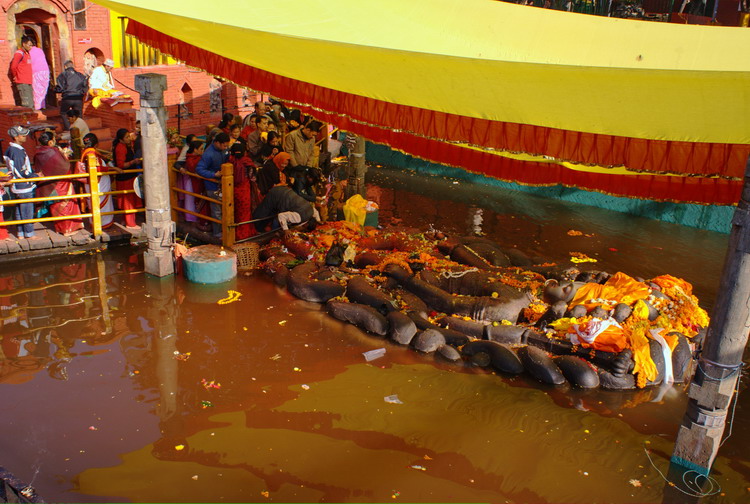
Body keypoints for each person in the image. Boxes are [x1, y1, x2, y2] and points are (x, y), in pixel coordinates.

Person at [33, 132, 83, 236]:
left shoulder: (38, 152)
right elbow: (64, 166)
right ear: (51, 141)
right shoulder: (54, 152)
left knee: (56, 207)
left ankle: (59, 229)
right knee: (66, 205)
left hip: (48, 184)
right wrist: (65, 156)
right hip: (61, 184)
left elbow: (39, 168)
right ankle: (67, 230)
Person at [4, 125, 40, 238]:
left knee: (19, 210)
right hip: (23, 185)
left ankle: (20, 233)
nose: (24, 136)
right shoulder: (17, 151)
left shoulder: (10, 149)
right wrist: (34, 175)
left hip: (16, 185)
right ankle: (29, 233)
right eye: (22, 135)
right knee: (27, 210)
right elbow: (21, 171)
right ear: (16, 137)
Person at [81, 133, 121, 229]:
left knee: (94, 202)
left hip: (93, 182)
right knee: (99, 202)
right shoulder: (91, 153)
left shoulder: (86, 152)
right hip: (97, 183)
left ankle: (98, 223)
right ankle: (102, 224)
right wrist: (113, 169)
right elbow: (97, 169)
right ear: (96, 144)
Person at [196, 132, 230, 237]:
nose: (226, 148)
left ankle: (225, 231)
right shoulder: (208, 154)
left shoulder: (224, 150)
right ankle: (217, 233)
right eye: (224, 145)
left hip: (224, 184)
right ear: (217, 143)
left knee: (225, 209)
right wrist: (214, 174)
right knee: (217, 211)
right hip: (213, 186)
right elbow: (199, 169)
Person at [112, 128, 143, 229]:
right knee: (128, 201)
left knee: (127, 200)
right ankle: (130, 224)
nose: (129, 139)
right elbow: (121, 165)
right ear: (121, 139)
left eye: (129, 136)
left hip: (127, 176)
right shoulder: (121, 148)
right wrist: (133, 162)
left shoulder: (123, 146)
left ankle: (125, 221)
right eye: (126, 137)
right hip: (126, 177)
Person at [229, 143, 256, 241]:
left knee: (234, 212)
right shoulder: (247, 162)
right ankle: (243, 234)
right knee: (244, 213)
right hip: (244, 190)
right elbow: (252, 176)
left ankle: (234, 233)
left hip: (231, 189)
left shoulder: (229, 161)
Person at [55, 61, 88, 129]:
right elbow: (85, 86)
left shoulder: (63, 75)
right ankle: (80, 128)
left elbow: (60, 88)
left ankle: (68, 129)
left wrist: (55, 90)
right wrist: (81, 92)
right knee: (78, 114)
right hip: (78, 98)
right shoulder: (80, 75)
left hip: (68, 97)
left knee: (64, 113)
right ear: (73, 66)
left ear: (65, 67)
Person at [10, 36, 33, 109]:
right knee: (27, 104)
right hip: (22, 82)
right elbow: (13, 66)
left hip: (29, 81)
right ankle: (26, 120)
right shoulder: (19, 53)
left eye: (32, 45)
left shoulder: (27, 53)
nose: (31, 47)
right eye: (29, 45)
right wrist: (15, 76)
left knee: (31, 103)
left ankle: (30, 120)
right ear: (24, 44)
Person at [29, 44, 49, 110]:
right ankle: (43, 105)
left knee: (36, 90)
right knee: (43, 89)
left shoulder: (29, 52)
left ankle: (37, 106)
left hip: (36, 72)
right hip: (45, 71)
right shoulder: (40, 50)